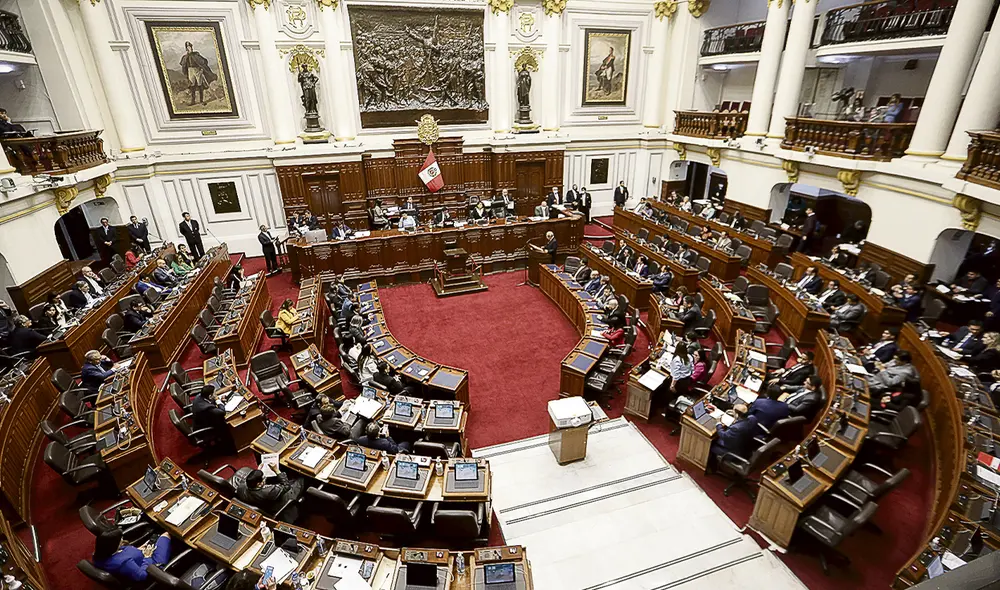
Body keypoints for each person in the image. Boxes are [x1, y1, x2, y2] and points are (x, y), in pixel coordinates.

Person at [91, 529, 172, 582]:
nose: (122, 540)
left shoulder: (100, 553)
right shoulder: (124, 564)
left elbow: (125, 553)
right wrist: (147, 557)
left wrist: (140, 549)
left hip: (142, 556)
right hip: (152, 566)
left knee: (154, 539)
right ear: (113, 545)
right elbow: (142, 576)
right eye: (120, 540)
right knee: (166, 534)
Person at [237, 469, 305, 523]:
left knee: (290, 479)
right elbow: (287, 486)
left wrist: (257, 472)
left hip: (264, 503)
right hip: (282, 501)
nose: (265, 478)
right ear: (259, 484)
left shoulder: (241, 487)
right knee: (301, 479)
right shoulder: (270, 492)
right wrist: (277, 470)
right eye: (263, 478)